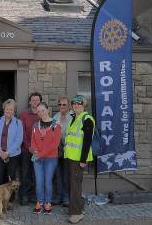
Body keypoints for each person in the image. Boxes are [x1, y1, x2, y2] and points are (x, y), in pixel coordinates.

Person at [64, 95, 94, 224]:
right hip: (70, 157)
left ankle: (76, 213)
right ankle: (79, 208)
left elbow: (87, 141)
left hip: (78, 159)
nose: (76, 105)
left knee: (75, 186)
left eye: (79, 103)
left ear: (84, 105)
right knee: (73, 185)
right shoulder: (74, 118)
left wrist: (83, 160)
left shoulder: (87, 119)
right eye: (74, 103)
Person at [31, 102, 61, 215]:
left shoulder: (56, 125)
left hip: (51, 158)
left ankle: (48, 203)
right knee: (39, 182)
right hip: (38, 158)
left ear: (48, 110)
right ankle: (39, 202)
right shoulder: (35, 125)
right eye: (38, 111)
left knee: (48, 182)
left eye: (43, 110)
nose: (41, 113)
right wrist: (35, 150)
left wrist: (40, 154)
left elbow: (55, 144)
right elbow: (32, 141)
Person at [0, 99, 23, 186]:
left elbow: (19, 140)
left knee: (11, 177)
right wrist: (0, 151)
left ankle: (10, 199)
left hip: (13, 155)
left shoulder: (18, 123)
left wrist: (8, 152)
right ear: (4, 109)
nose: (9, 111)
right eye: (7, 109)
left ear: (14, 111)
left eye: (11, 109)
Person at [19, 92, 42, 205]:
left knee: (36, 173)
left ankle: (34, 196)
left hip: (39, 151)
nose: (35, 102)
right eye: (33, 100)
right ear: (29, 102)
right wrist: (29, 147)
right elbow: (21, 132)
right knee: (25, 173)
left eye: (37, 100)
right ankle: (25, 196)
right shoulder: (24, 114)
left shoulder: (42, 114)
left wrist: (38, 149)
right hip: (26, 149)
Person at [51, 97, 72, 207]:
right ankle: (58, 196)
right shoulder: (55, 117)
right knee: (58, 175)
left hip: (69, 151)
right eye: (60, 104)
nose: (62, 107)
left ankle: (66, 197)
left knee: (66, 175)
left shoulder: (73, 117)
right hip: (57, 150)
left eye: (64, 105)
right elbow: (52, 133)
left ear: (69, 106)